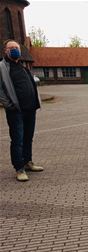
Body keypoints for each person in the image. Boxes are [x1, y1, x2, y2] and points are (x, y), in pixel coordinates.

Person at [0, 39, 43, 182]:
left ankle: (28, 161)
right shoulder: (2, 67)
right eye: (11, 48)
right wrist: (9, 105)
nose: (15, 50)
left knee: (28, 137)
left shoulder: (22, 66)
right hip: (16, 111)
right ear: (6, 51)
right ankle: (19, 168)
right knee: (17, 139)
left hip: (30, 109)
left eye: (16, 47)